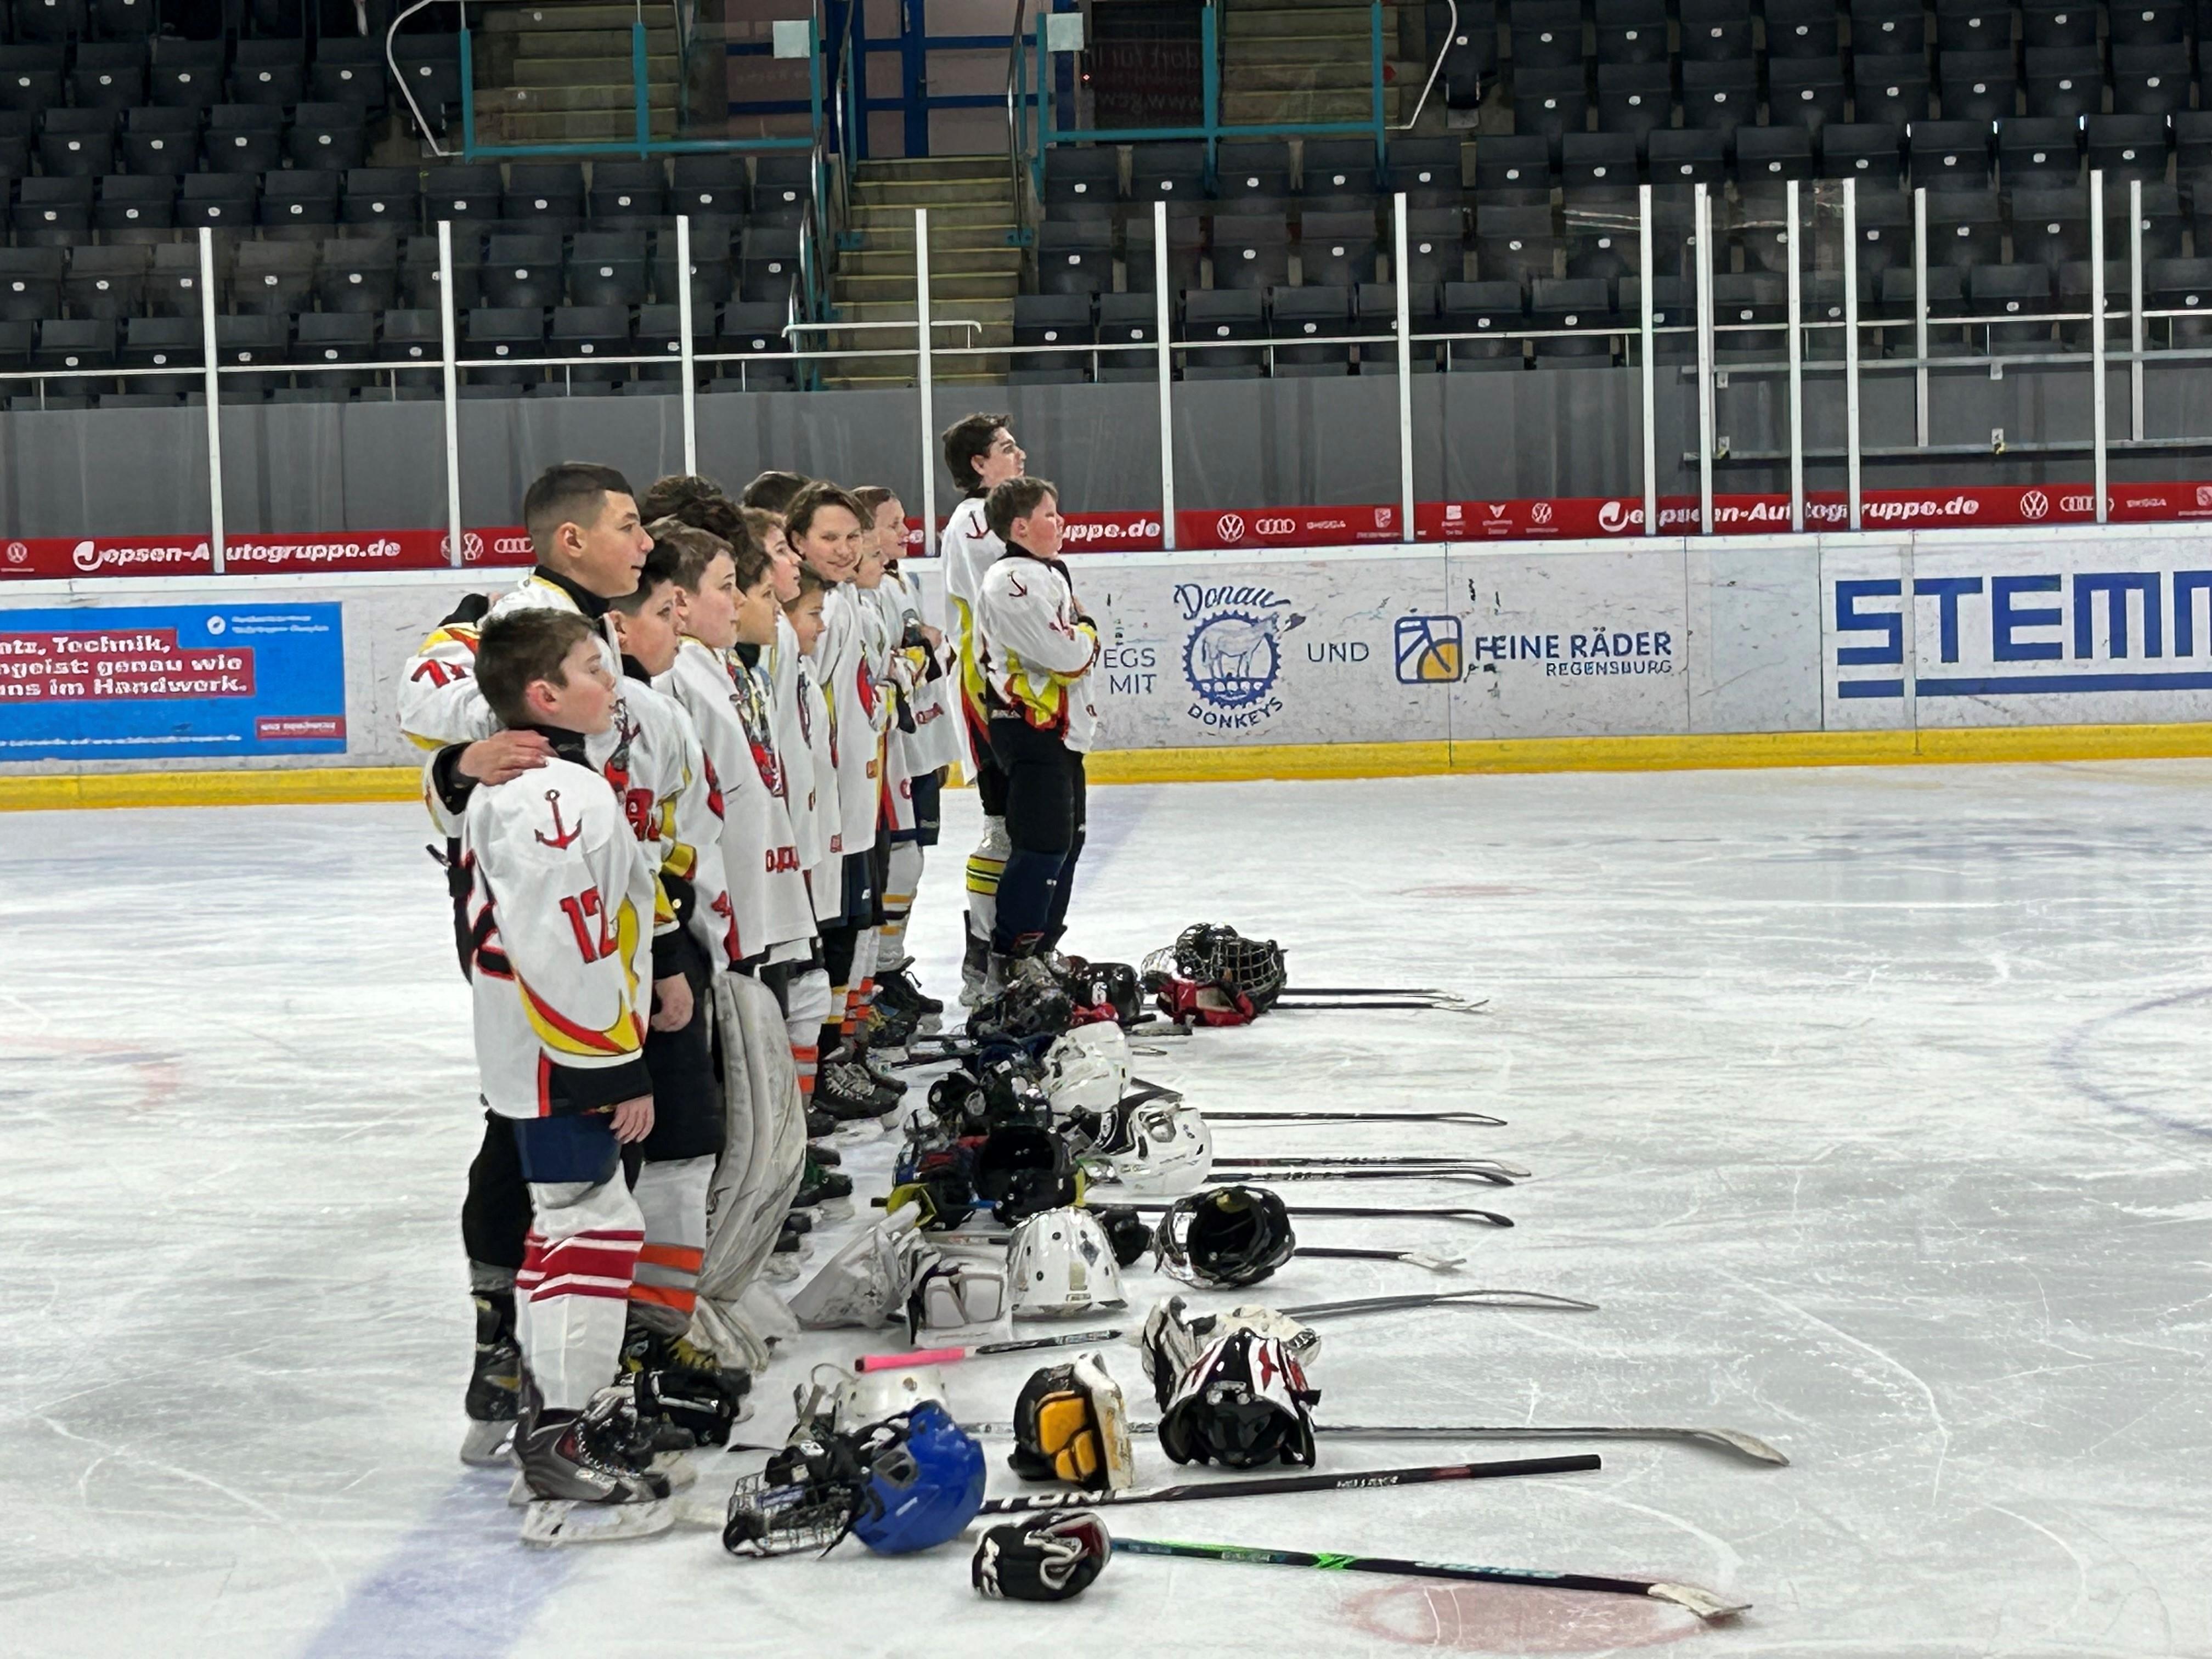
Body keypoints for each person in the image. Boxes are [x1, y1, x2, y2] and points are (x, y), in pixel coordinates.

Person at [403, 464, 744, 1457]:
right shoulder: (513, 622)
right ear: (568, 541)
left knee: (593, 1177)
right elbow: (426, 701)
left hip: (599, 961)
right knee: (544, 1165)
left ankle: (583, 1371)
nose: (648, 545)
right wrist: (464, 760)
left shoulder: (613, 673)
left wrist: (669, 946)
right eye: (630, 526)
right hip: (555, 987)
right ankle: (519, 1363)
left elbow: (653, 835)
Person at [456, 606, 665, 1514]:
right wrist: (609, 1064)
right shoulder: (552, 794)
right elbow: (564, 943)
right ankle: (556, 1438)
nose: (608, 681)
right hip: (559, 1050)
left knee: (569, 1223)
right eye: (591, 667)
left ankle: (554, 1416)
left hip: (536, 1045)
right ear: (542, 694)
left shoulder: (541, 785)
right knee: (590, 1221)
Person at [784, 480, 902, 1118]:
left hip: (855, 800)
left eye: (851, 536)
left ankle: (841, 1052)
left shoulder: (849, 601)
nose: (843, 548)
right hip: (824, 811)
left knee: (853, 927)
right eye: (828, 537)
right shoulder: (811, 613)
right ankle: (823, 1065)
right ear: (797, 540)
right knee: (826, 939)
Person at [973, 476, 1099, 990]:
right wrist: (1088, 631)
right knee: (1043, 845)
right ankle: (1011, 959)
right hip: (1032, 729)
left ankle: (1041, 949)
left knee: (1067, 842)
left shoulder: (1045, 574)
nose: (1061, 521)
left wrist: (1081, 635)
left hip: (1061, 733)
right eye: (1051, 514)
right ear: (1021, 526)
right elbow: (1068, 657)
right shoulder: (1012, 581)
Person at [853, 486, 955, 1041]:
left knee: (908, 862)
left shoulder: (897, 582)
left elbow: (926, 655)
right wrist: (923, 655)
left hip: (914, 746)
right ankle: (878, 974)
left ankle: (888, 968)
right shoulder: (865, 596)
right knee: (897, 864)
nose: (905, 532)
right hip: (888, 752)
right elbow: (912, 662)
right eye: (892, 523)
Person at [936, 414, 1030, 1004]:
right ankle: (983, 958)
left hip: (1004, 687)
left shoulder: (992, 518)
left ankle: (1002, 955)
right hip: (987, 692)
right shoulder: (976, 520)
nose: (1019, 453)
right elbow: (1003, 597)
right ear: (978, 465)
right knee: (1001, 828)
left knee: (1017, 827)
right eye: (1005, 448)